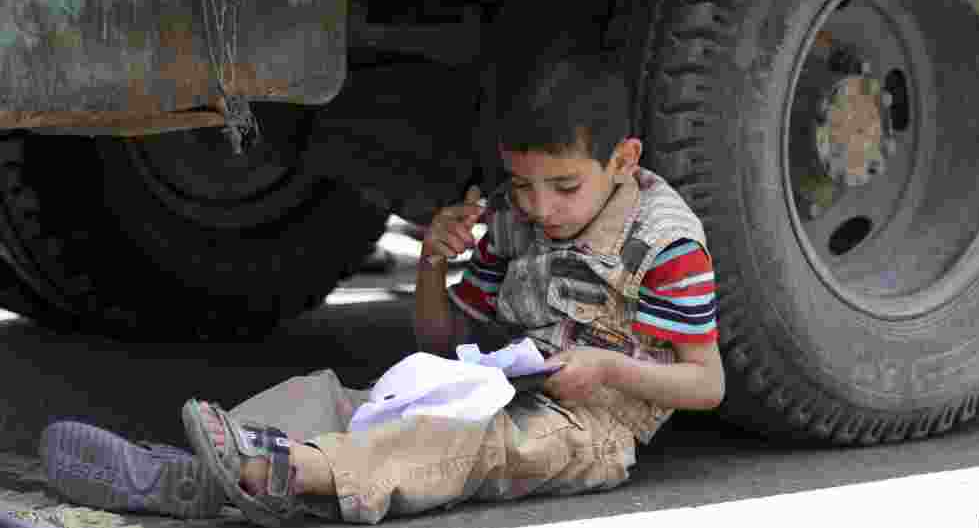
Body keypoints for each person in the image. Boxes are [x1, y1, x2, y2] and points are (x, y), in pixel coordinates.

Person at [40, 52, 724, 526]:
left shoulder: (665, 245)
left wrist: (605, 366)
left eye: (564, 186)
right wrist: (431, 261)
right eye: (522, 184)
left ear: (624, 160)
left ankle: (277, 472)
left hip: (588, 428)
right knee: (356, 399)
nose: (539, 206)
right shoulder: (518, 217)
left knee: (465, 444)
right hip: (508, 386)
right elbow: (438, 340)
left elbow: (706, 382)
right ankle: (199, 467)